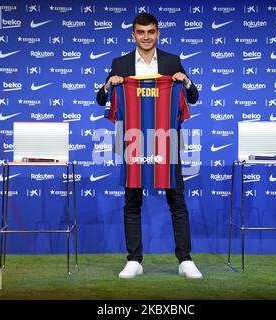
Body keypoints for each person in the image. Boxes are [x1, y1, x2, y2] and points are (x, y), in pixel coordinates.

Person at [96, 13, 202, 279]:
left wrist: (185, 80)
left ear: (158, 33)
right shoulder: (120, 63)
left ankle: (185, 260)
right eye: (141, 32)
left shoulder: (171, 61)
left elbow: (193, 96)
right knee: (132, 203)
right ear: (133, 35)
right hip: (133, 141)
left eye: (150, 32)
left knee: (177, 201)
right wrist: (110, 84)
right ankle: (134, 260)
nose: (146, 37)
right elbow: (101, 99)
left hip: (167, 142)